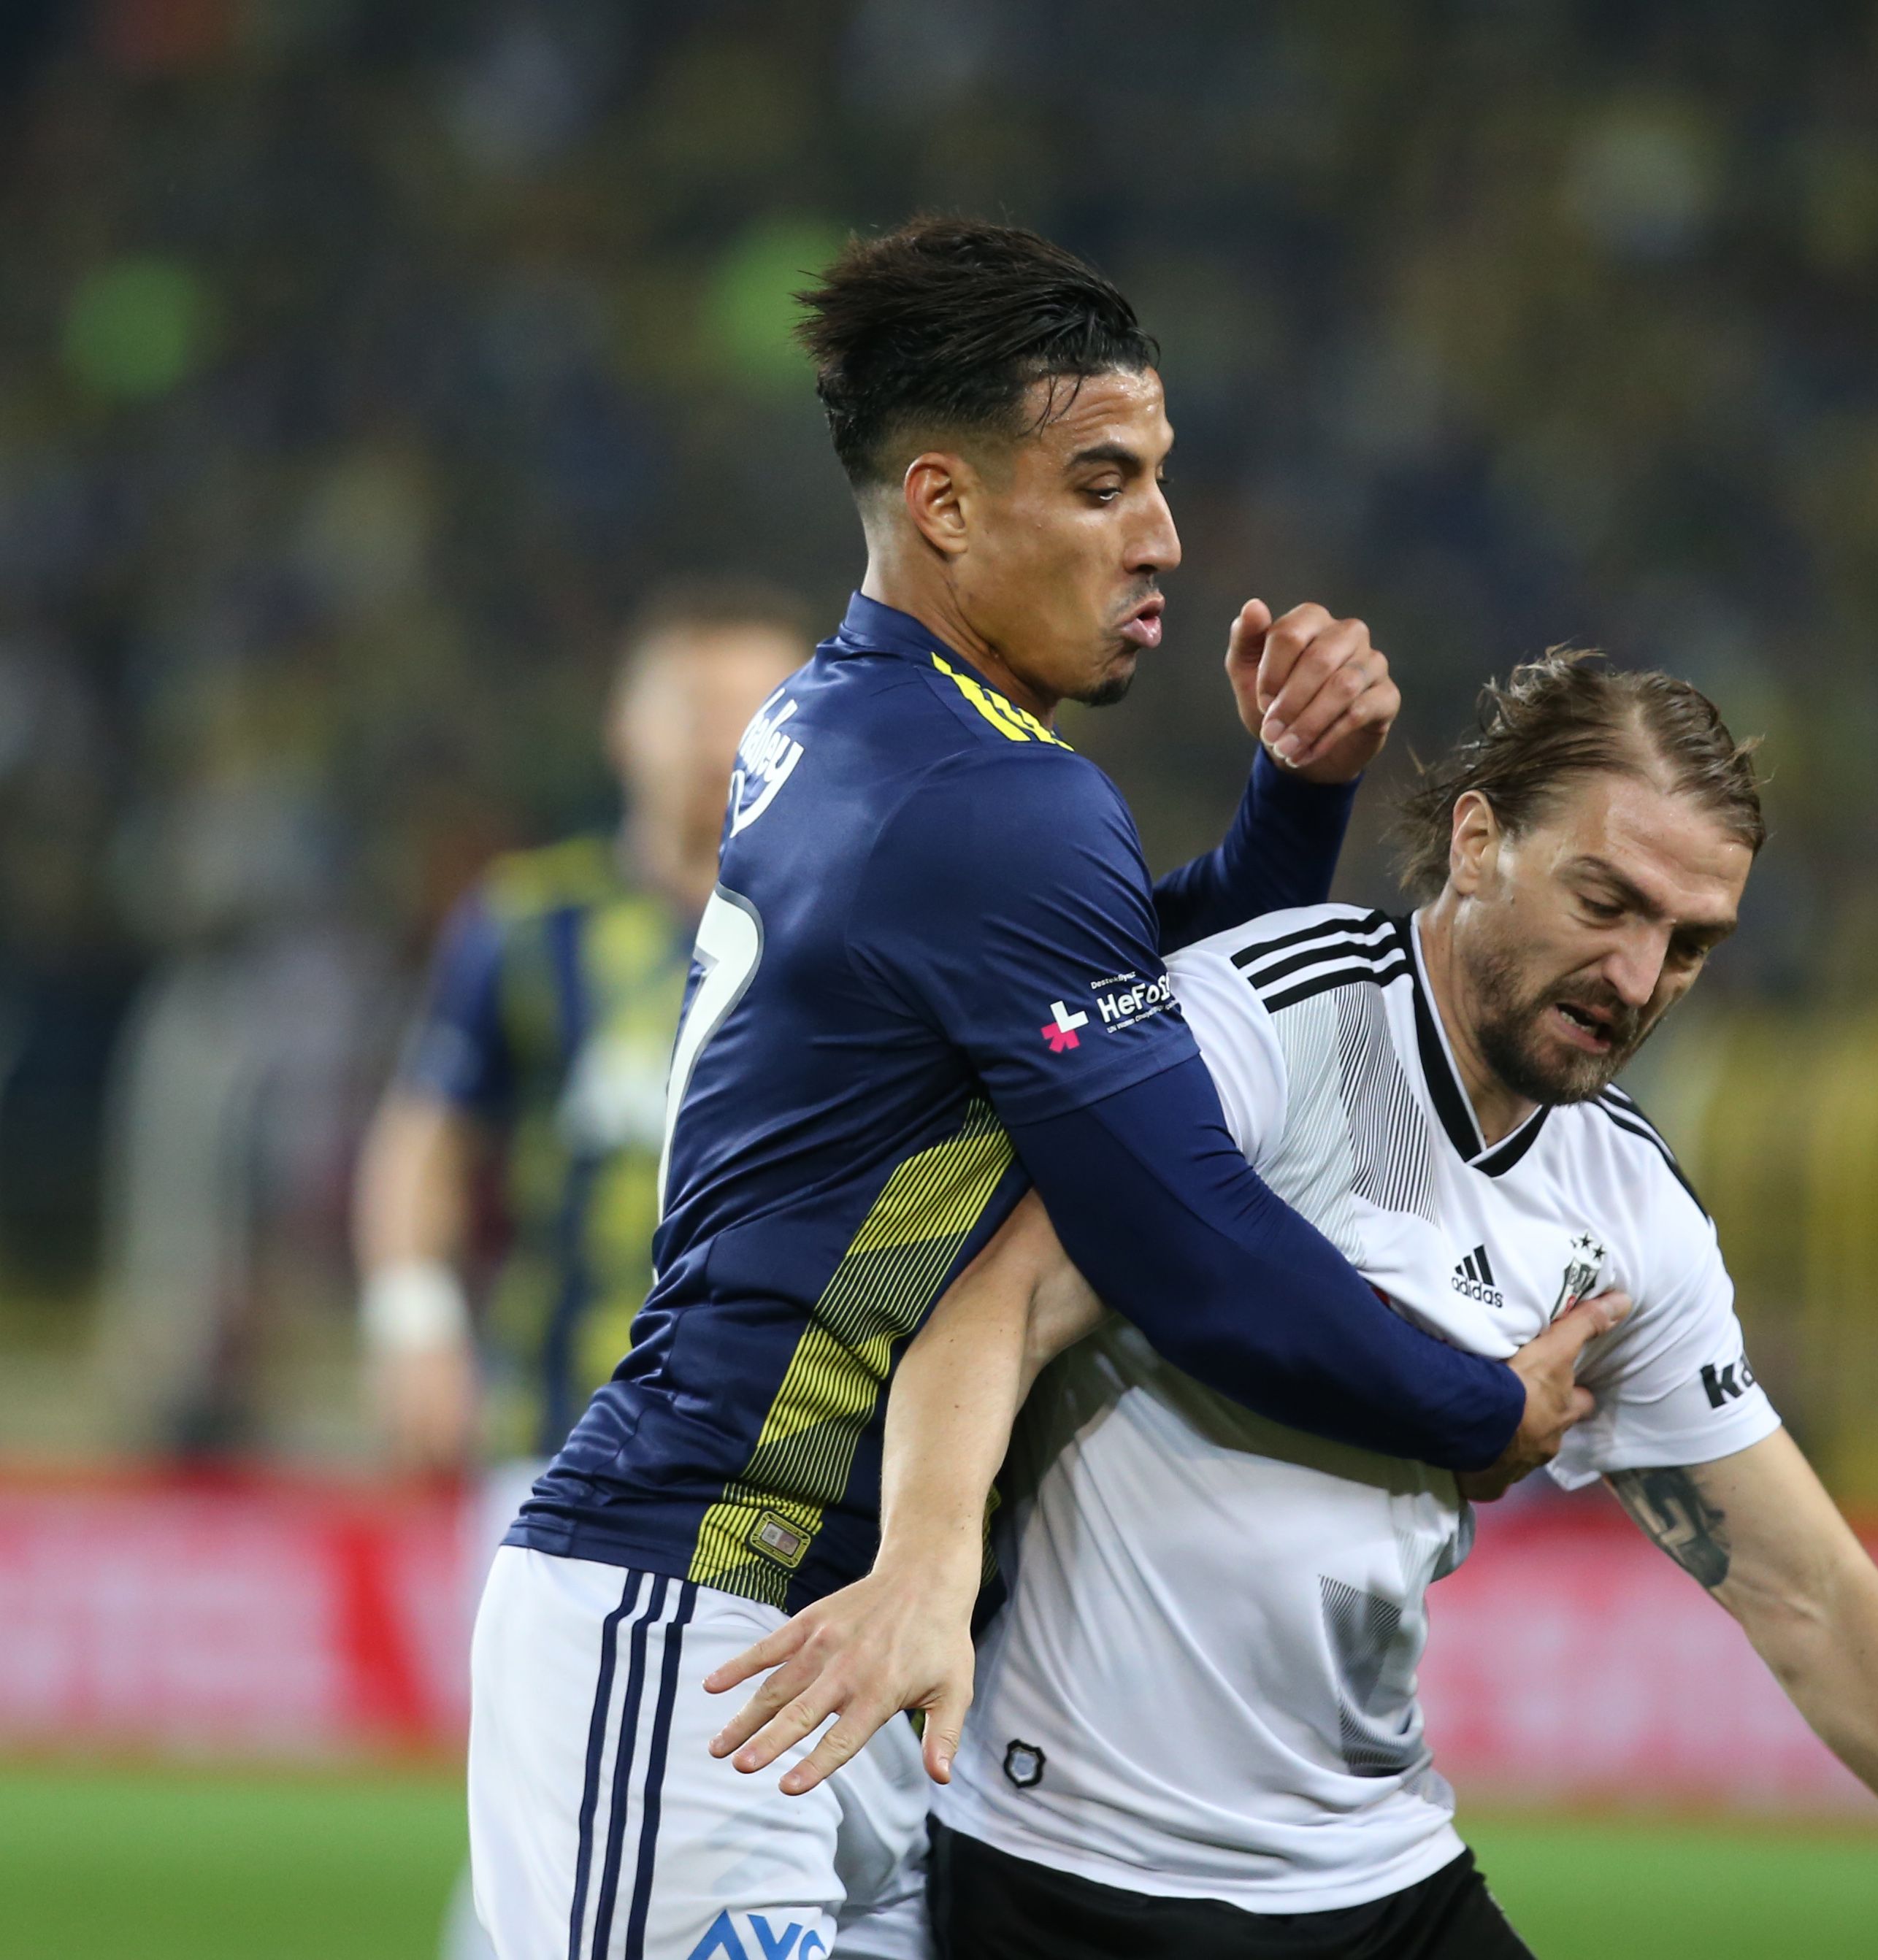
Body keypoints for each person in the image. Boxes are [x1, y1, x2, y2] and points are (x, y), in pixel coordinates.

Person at [465, 218, 1609, 1960]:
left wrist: (1288, 809)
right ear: (942, 503)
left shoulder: (854, 728)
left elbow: (1098, 1017)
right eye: (1102, 482)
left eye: (1159, 477)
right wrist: (1475, 1410)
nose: (1160, 535)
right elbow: (1187, 1239)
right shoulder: (995, 797)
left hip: (854, 1634)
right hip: (701, 1615)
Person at [727, 653, 1878, 1959]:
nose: (1636, 977)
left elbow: (1809, 1592)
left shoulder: (1633, 1211)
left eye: (1689, 939)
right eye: (1605, 901)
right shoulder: (1263, 1019)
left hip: (1380, 1874)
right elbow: (1004, 1299)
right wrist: (923, 1560)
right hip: (1078, 1872)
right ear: (1477, 839)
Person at [357, 581, 807, 1960]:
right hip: (556, 1439)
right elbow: (425, 1136)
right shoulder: (531, 921)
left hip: (778, 1460)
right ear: (622, 726)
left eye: (752, 706)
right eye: (687, 703)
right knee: (556, 1802)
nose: (716, 737)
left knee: (704, 1816)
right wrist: (415, 1315)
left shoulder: (835, 930)